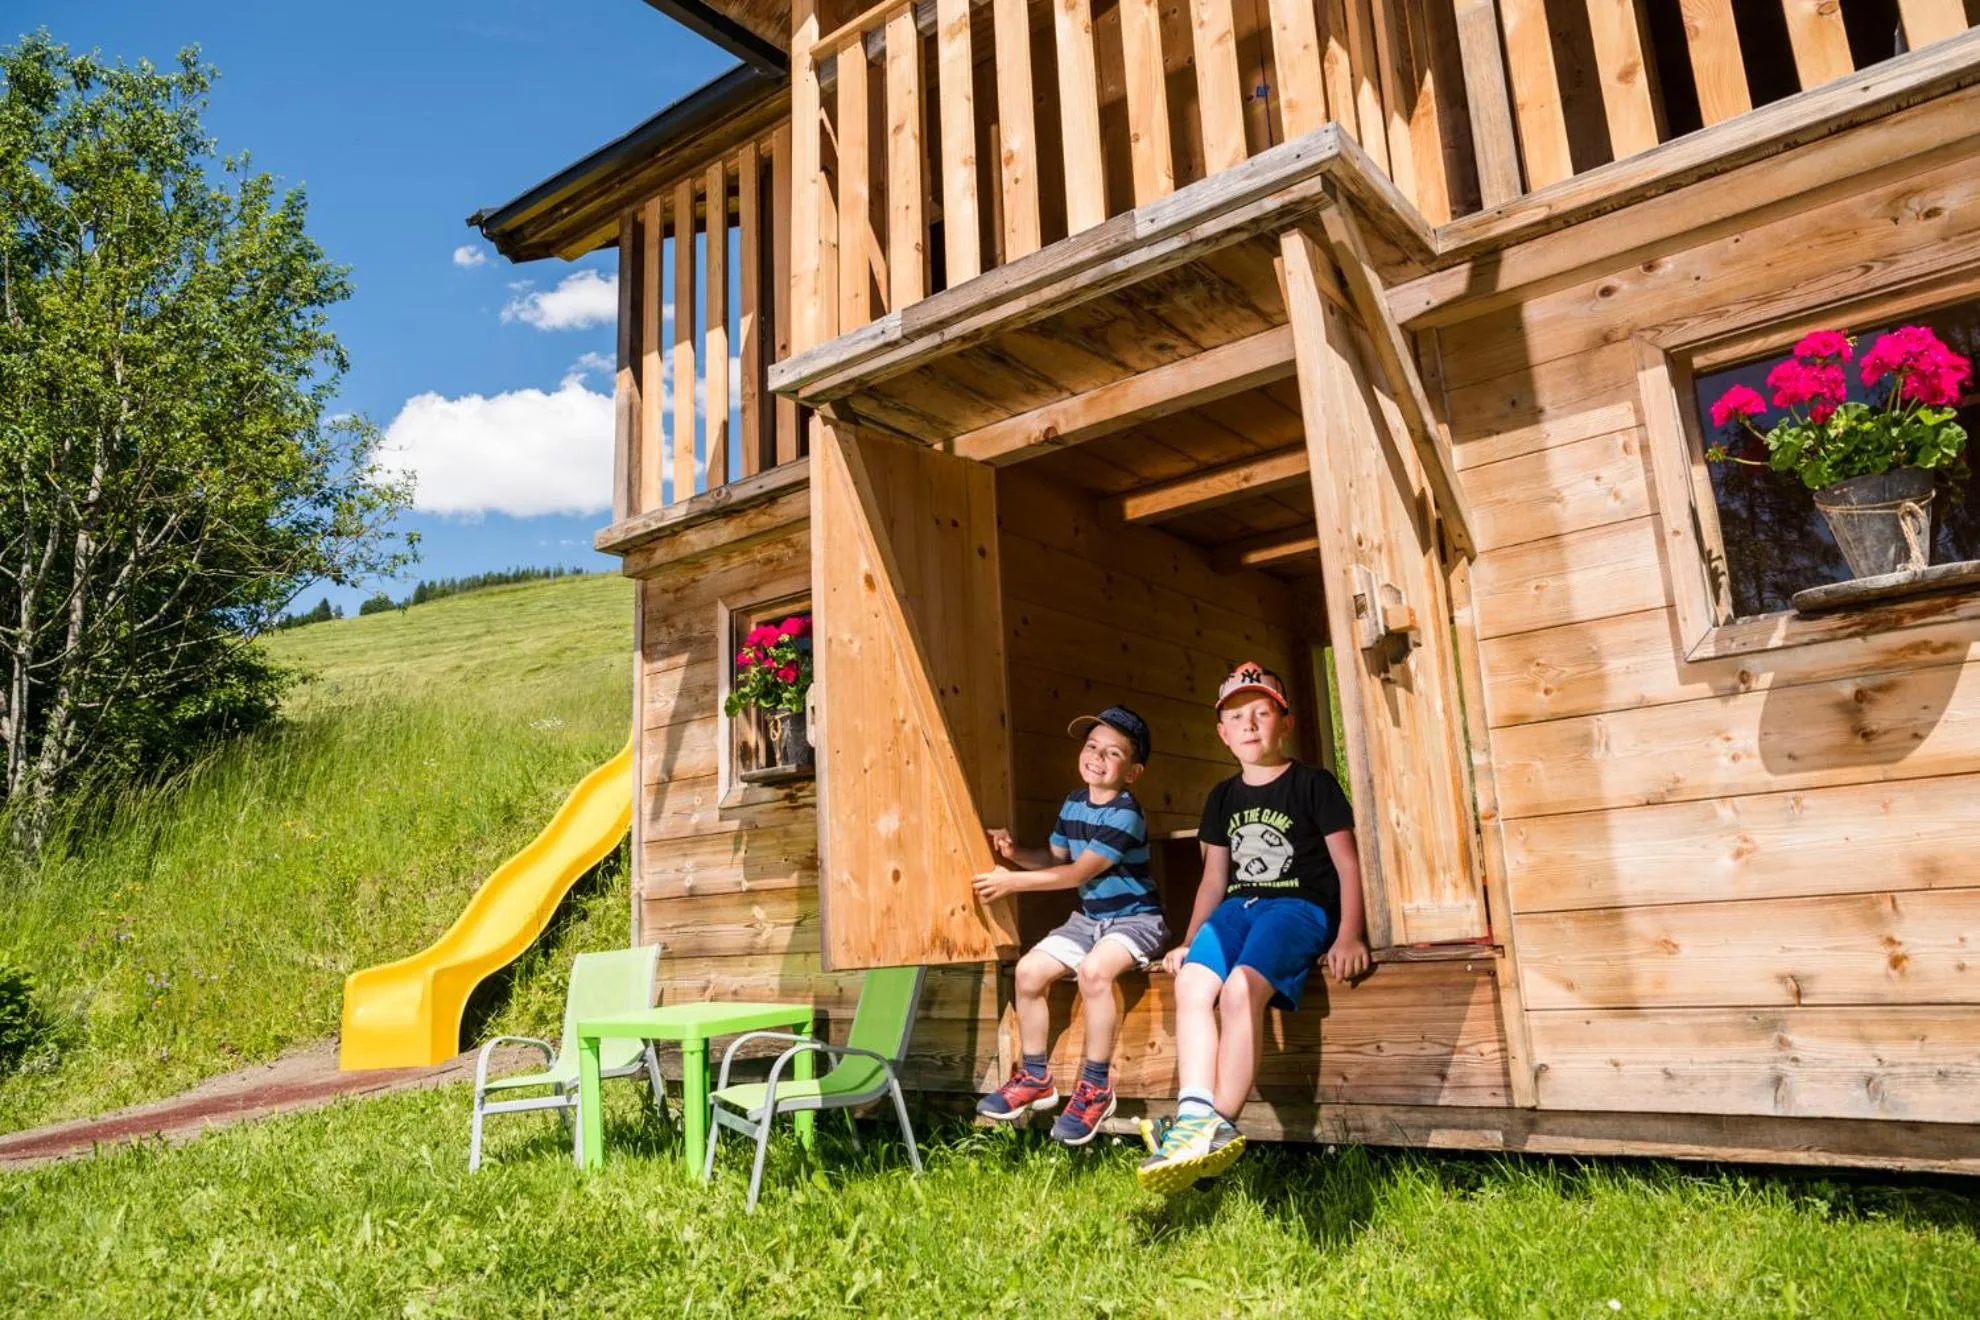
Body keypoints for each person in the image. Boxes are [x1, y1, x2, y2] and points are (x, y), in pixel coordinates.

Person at [1136, 662, 1370, 1193]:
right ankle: (1194, 1113)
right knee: (1194, 982)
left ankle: (1218, 1127)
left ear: (1284, 722)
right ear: (1222, 733)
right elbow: (1214, 878)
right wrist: (1193, 938)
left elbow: (1348, 865)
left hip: (1297, 909)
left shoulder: (1313, 783)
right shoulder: (1222, 797)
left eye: (1261, 712)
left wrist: (1349, 934)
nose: (1248, 724)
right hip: (1235, 909)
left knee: (1240, 989)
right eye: (1236, 716)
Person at [971, 705, 1170, 1146]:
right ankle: (1036, 1077)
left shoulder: (1126, 813)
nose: (1097, 757)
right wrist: (1013, 852)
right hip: (1090, 920)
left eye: (1112, 753)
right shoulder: (1073, 802)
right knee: (1027, 972)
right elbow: (1056, 860)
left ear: (1133, 772)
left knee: (1094, 973)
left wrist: (1012, 882)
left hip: (1136, 920)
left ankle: (1097, 1086)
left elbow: (1078, 875)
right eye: (1092, 746)